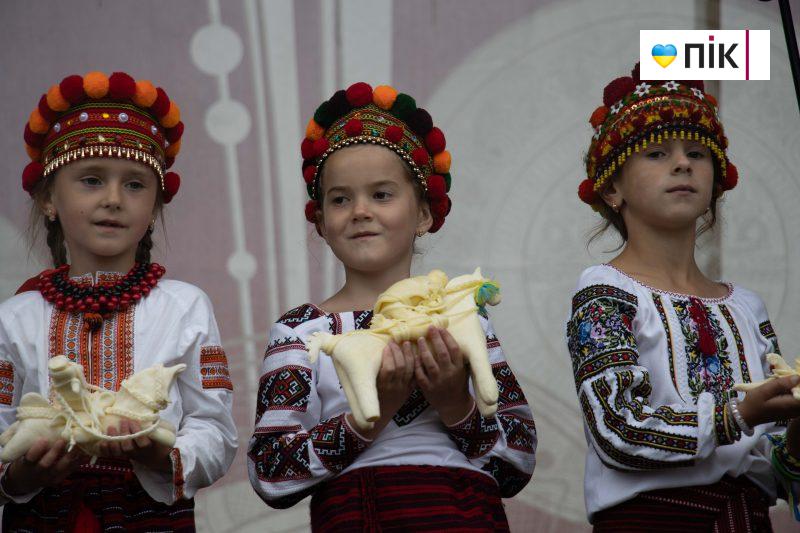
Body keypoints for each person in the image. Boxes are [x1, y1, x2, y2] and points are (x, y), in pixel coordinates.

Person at [248, 82, 536, 531]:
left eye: (381, 194)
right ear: (321, 222)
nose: (360, 211)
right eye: (341, 198)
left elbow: (518, 460)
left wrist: (454, 402)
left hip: (465, 517)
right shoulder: (303, 331)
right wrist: (371, 413)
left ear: (423, 214)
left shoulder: (464, 314)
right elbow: (268, 472)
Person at [0, 71, 238, 531]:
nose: (113, 199)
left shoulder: (184, 306)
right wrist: (23, 472)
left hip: (152, 516)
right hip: (42, 516)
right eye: (91, 179)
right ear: (49, 198)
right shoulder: (16, 318)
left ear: (155, 208)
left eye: (134, 184)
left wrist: (159, 452)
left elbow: (216, 430)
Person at [568, 63, 800, 531]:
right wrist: (739, 413)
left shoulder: (746, 306)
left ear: (716, 182)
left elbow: (775, 462)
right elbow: (617, 429)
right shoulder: (606, 290)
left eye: (698, 152)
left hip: (747, 520)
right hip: (653, 521)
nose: (682, 163)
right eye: (655, 153)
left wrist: (796, 435)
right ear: (612, 188)